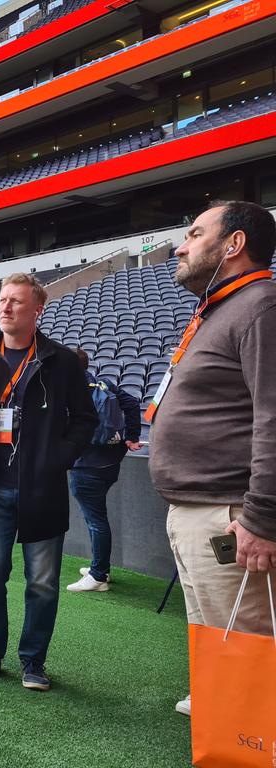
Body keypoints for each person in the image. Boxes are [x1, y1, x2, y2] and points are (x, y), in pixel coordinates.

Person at [148, 200, 276, 717]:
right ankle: (225, 720)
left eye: (195, 234)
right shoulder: (225, 308)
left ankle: (252, 737)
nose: (181, 247)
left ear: (234, 244)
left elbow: (273, 418)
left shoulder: (261, 307)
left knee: (245, 638)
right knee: (212, 631)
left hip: (231, 515)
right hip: (198, 509)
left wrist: (262, 518)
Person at [0, 273, 96, 692]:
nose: (5, 307)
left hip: (42, 489)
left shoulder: (61, 361)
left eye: (16, 301)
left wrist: (58, 459)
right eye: (2, 300)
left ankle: (33, 660)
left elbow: (86, 420)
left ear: (37, 310)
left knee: (42, 582)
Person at [65, 348, 142, 592]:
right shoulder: (103, 383)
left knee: (96, 521)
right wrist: (132, 437)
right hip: (110, 462)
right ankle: (100, 567)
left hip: (87, 467)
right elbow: (132, 403)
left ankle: (98, 575)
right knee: (97, 519)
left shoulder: (68, 391)